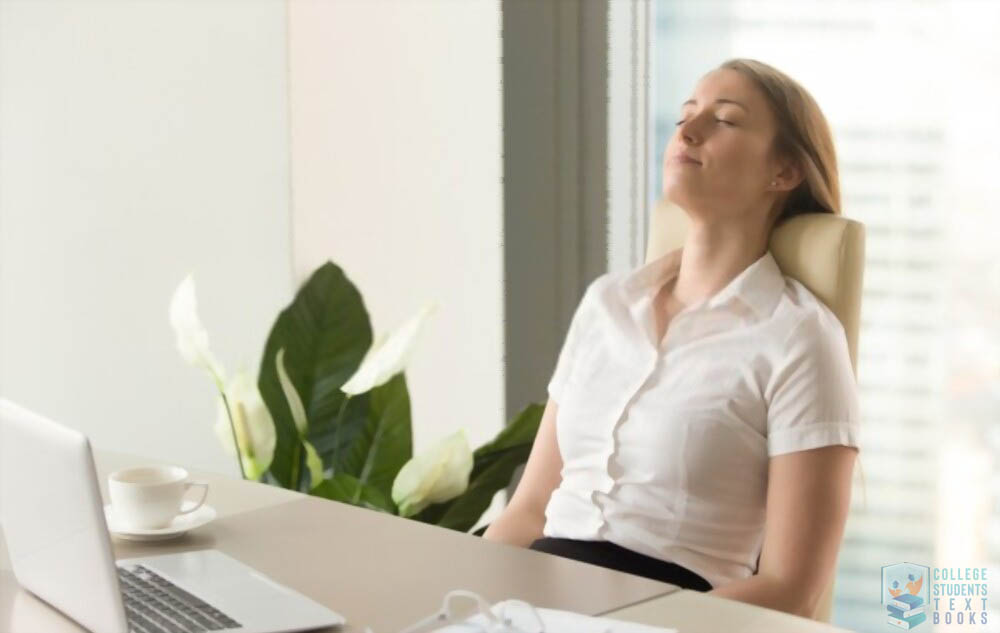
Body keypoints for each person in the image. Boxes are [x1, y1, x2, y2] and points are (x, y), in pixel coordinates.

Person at [483, 58, 860, 619]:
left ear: (783, 171)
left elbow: (792, 588)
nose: (687, 131)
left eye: (725, 120)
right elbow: (529, 511)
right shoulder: (606, 304)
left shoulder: (800, 339)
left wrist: (612, 625)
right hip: (535, 603)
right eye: (687, 114)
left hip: (674, 616)